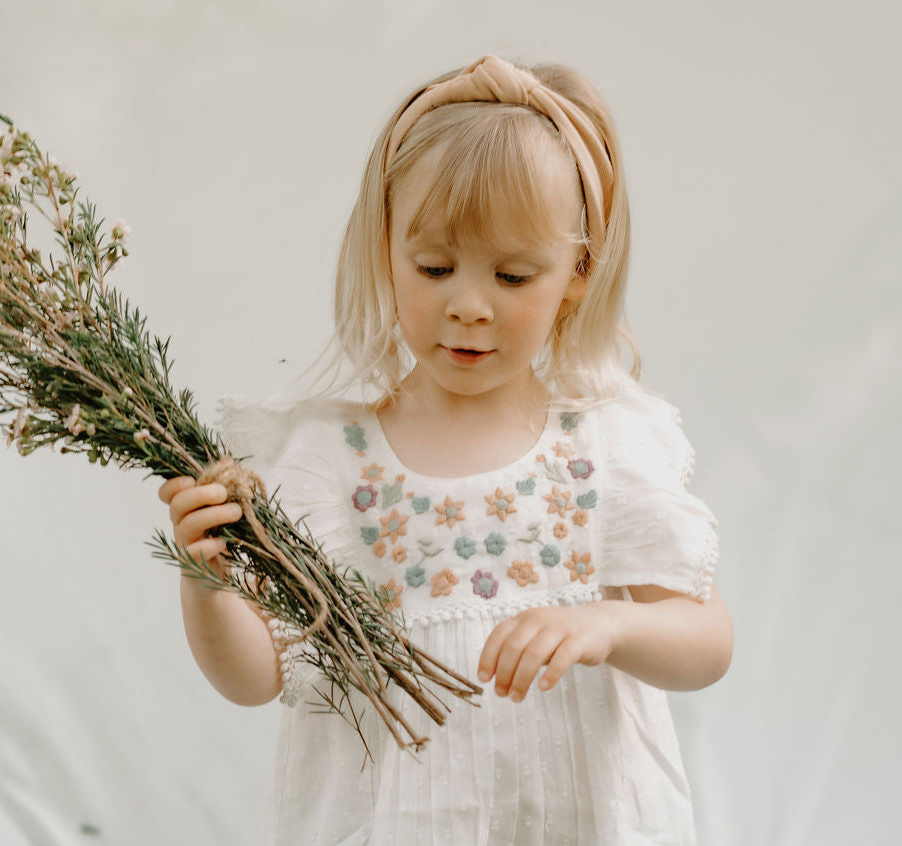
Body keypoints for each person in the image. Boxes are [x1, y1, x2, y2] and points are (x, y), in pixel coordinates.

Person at [159, 54, 733, 845]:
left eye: (513, 276)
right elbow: (259, 677)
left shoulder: (601, 447)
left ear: (578, 270)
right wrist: (207, 585)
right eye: (434, 267)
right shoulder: (331, 460)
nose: (468, 305)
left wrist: (609, 625)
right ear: (386, 249)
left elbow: (706, 643)